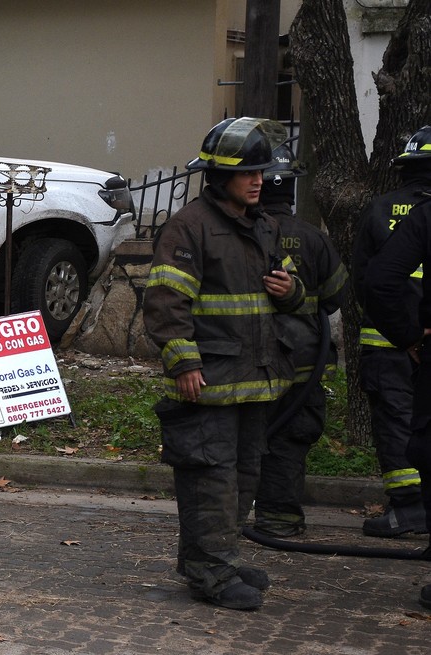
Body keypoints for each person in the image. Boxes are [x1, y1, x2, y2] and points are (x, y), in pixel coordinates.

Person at [144, 117, 302, 610]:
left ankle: (218, 559)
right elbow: (166, 301)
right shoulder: (189, 227)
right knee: (209, 477)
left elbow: (291, 289)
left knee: (243, 475)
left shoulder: (265, 226)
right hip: (208, 379)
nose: (258, 181)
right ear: (219, 177)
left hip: (253, 378)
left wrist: (290, 290)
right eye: (247, 173)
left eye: (261, 172)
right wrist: (183, 363)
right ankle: (211, 572)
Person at [250, 143, 349, 537]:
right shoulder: (313, 238)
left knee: (248, 436)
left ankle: (232, 518)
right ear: (291, 188)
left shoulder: (242, 235)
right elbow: (336, 296)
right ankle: (279, 521)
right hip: (303, 363)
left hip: (250, 360)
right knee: (289, 438)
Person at [363, 127, 431, 610]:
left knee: (400, 425)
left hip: (395, 342)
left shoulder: (381, 209)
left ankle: (408, 509)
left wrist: (406, 334)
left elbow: (369, 279)